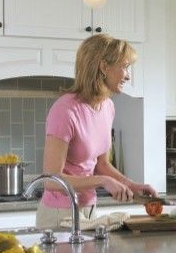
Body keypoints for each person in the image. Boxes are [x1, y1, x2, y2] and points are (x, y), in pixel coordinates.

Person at [35, 34, 157, 229]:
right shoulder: (65, 110)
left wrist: (132, 186)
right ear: (103, 67)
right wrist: (103, 181)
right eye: (124, 67)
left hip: (89, 210)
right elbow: (51, 180)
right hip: (59, 214)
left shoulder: (107, 107)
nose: (128, 75)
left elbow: (101, 164)